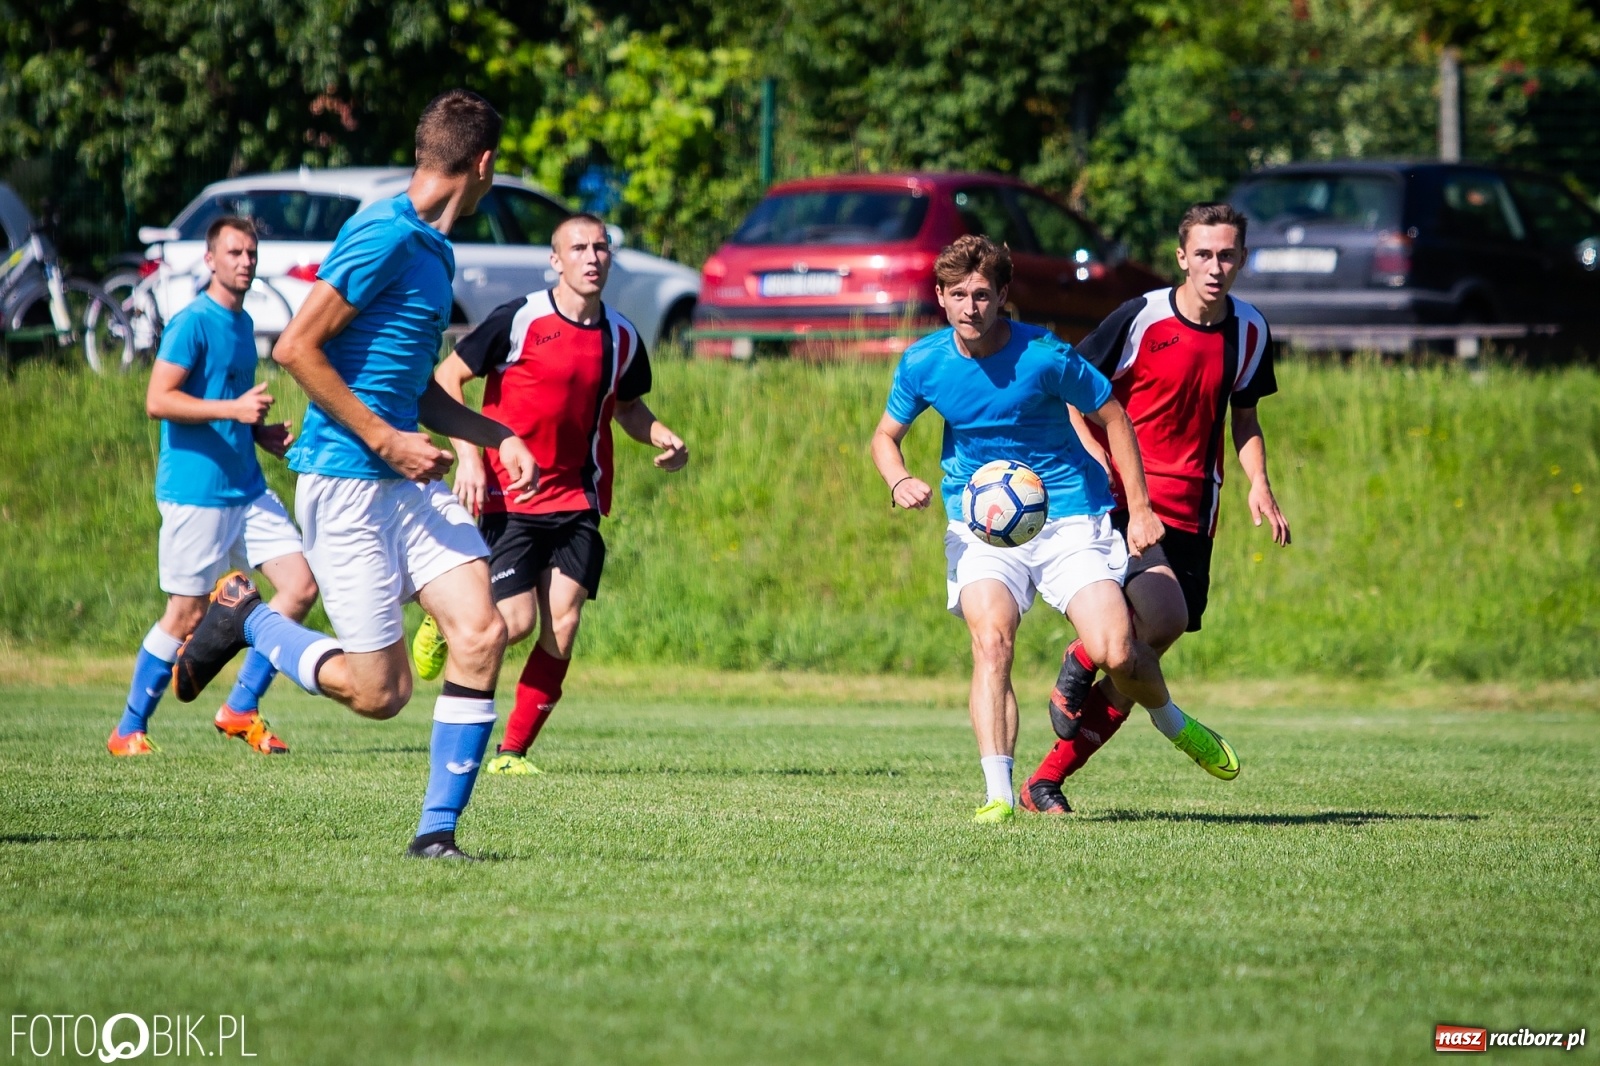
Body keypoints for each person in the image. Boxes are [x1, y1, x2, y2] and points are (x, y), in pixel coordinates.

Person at [171, 90, 538, 861]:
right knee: (381, 694)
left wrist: (493, 434)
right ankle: (251, 621)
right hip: (346, 481)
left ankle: (436, 836)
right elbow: (297, 347)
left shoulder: (434, 250)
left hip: (406, 482)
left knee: (482, 631)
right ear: (484, 164)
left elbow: (415, 390)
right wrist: (385, 438)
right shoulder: (380, 233)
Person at [870, 234, 1236, 823]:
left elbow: (1114, 416)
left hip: (1069, 516)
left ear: (1003, 295)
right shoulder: (923, 363)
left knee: (1117, 651)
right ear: (940, 297)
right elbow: (885, 437)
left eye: (983, 294)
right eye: (958, 294)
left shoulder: (1044, 355)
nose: (971, 307)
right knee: (991, 642)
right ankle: (997, 795)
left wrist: (1139, 508)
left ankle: (1172, 720)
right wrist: (898, 480)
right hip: (983, 526)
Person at [1024, 202, 1286, 807]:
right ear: (1181, 257)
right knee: (1152, 626)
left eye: (1226, 255)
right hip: (1126, 501)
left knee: (1139, 651)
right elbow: (1074, 393)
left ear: (1241, 259)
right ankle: (1091, 664)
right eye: (1203, 254)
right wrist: (1101, 467)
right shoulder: (1140, 317)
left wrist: (1259, 483)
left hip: (1195, 510)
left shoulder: (1251, 330)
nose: (1215, 267)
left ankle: (1045, 780)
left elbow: (1244, 419)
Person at [413, 212, 688, 774]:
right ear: (555, 260)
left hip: (578, 502)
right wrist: (470, 456)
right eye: (579, 248)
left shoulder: (624, 337)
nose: (592, 257)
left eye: (602, 248)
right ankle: (442, 617)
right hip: (511, 499)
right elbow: (445, 380)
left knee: (562, 624)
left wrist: (659, 434)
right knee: (511, 626)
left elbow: (630, 409)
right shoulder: (519, 319)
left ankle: (511, 754)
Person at [108, 216, 317, 758]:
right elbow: (159, 400)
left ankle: (240, 706)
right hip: (196, 491)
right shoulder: (192, 323)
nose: (245, 262)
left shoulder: (243, 323)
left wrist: (259, 431)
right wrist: (234, 409)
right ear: (210, 259)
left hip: (244, 486)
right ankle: (128, 729)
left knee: (299, 586)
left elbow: (229, 402)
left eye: (251, 253)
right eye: (234, 253)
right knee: (187, 615)